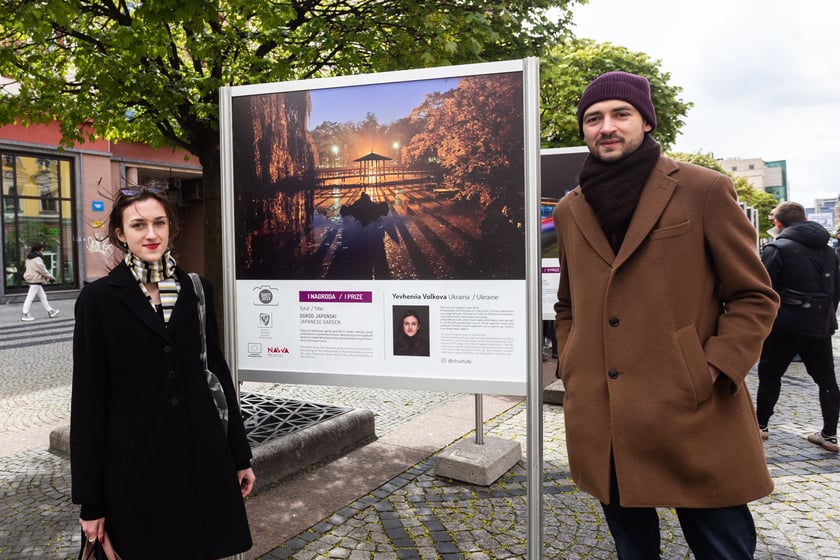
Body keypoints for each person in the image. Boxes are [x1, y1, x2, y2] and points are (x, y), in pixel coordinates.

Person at [551, 71, 780, 558]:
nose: (605, 127)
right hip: (605, 412)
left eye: (620, 114)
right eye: (593, 118)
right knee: (633, 549)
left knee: (723, 547)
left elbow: (754, 295)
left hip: (691, 407)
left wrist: (712, 366)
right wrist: (573, 362)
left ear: (646, 122)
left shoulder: (703, 188)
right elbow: (568, 302)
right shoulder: (572, 208)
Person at [70, 185, 255, 558]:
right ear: (121, 235)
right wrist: (90, 502)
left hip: (200, 457)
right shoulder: (99, 300)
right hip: (136, 466)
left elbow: (215, 371)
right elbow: (88, 402)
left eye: (159, 223)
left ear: (171, 227)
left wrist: (239, 455)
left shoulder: (197, 289)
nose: (151, 234)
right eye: (138, 225)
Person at [755, 201, 840, 452]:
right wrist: (825, 316)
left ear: (778, 223)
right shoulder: (828, 251)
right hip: (819, 326)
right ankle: (829, 434)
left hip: (784, 326)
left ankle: (760, 427)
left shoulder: (777, 248)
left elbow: (764, 289)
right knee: (827, 380)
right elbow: (835, 290)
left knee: (770, 375)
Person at [20, 241, 60, 321]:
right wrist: (51, 277)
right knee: (30, 297)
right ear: (38, 250)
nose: (43, 251)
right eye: (42, 249)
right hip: (35, 280)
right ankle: (25, 314)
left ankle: (50, 311)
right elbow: (42, 270)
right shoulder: (37, 259)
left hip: (32, 279)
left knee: (43, 296)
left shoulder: (29, 257)